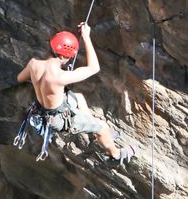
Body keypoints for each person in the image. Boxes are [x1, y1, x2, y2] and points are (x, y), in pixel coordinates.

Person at [17, 22, 135, 164]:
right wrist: (86, 37)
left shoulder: (33, 64)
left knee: (78, 97)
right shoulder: (61, 77)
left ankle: (90, 124)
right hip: (59, 120)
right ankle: (115, 155)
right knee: (103, 127)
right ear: (64, 56)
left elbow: (20, 78)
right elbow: (94, 68)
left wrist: (41, 85)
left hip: (42, 110)